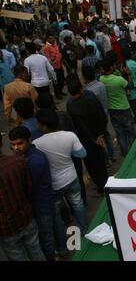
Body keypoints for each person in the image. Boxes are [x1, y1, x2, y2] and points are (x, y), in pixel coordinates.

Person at [33, 109, 88, 251]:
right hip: (71, 176)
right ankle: (83, 228)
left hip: (55, 184)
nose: (37, 126)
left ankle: (63, 246)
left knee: (56, 213)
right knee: (77, 202)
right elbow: (82, 153)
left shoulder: (37, 143)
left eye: (38, 123)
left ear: (44, 126)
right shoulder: (70, 135)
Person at [8, 126, 56, 261]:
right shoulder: (28, 156)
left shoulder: (34, 161)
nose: (16, 148)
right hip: (40, 204)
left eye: (19, 144)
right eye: (13, 145)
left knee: (46, 241)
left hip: (41, 207)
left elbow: (28, 188)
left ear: (29, 140)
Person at [0, 133, 46, 261]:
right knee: (36, 250)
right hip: (26, 217)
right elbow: (29, 189)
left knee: (17, 256)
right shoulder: (18, 161)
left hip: (6, 228)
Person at [66, 78, 109, 192]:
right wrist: (100, 135)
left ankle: (101, 186)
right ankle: (105, 183)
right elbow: (102, 115)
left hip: (86, 140)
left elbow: (79, 127)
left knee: (91, 165)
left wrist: (93, 138)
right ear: (81, 89)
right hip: (97, 136)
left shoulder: (70, 105)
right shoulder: (91, 98)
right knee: (100, 161)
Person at [99, 53, 136, 157]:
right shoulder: (119, 80)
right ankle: (135, 151)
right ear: (111, 67)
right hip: (124, 108)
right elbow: (131, 86)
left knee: (120, 133)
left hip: (112, 109)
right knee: (130, 131)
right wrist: (128, 74)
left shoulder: (101, 79)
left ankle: (125, 153)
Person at [123, 48, 136, 123]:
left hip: (129, 86)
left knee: (132, 104)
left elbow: (125, 77)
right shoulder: (134, 63)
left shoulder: (124, 65)